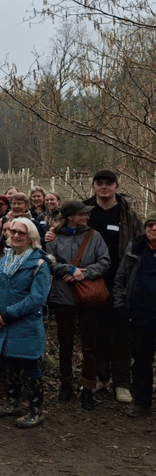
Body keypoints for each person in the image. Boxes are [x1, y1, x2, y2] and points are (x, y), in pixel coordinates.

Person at [83, 170, 142, 403]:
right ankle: (100, 377)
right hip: (91, 281)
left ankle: (122, 383)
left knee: (120, 333)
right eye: (100, 183)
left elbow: (139, 243)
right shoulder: (85, 211)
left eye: (109, 183)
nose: (104, 187)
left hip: (121, 282)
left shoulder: (127, 213)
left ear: (116, 186)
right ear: (94, 186)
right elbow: (65, 233)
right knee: (95, 332)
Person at [45, 200, 111, 410]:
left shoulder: (94, 236)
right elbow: (50, 262)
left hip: (88, 297)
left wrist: (83, 274)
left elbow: (104, 261)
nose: (86, 218)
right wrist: (69, 270)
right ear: (71, 216)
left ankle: (88, 389)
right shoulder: (54, 237)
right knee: (65, 343)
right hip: (62, 297)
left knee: (89, 345)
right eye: (82, 214)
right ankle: (66, 385)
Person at [0, 218, 51, 428]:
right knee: (9, 364)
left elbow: (36, 299)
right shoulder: (4, 260)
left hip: (25, 324)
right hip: (3, 322)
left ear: (31, 237)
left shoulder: (40, 264)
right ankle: (12, 403)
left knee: (30, 366)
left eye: (21, 233)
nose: (15, 235)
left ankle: (36, 411)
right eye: (12, 231)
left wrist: (7, 315)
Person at [114, 213, 156, 417]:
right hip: (140, 315)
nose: (154, 229)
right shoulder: (136, 248)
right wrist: (121, 305)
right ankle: (142, 402)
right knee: (141, 361)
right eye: (150, 225)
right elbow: (121, 278)